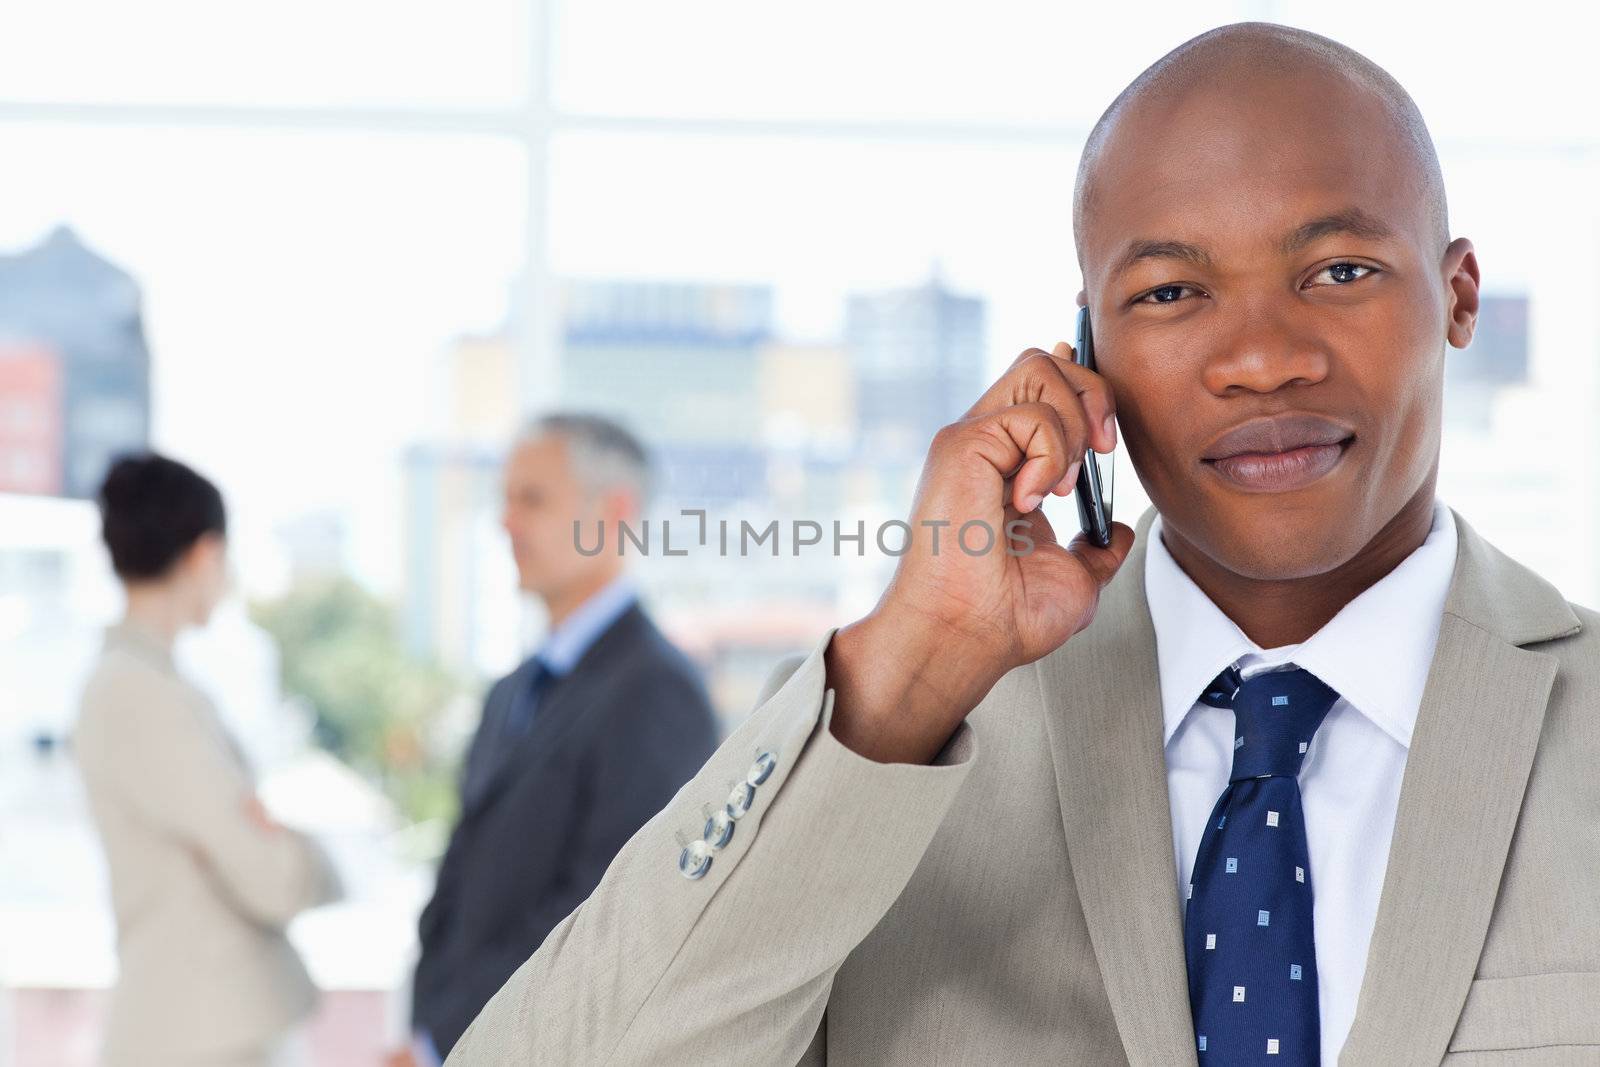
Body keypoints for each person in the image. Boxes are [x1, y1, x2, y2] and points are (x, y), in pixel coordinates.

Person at [446, 22, 1600, 1066]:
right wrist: (913, 666)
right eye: (1168, 293)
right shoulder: (893, 749)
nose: (1258, 356)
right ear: (1083, 349)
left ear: (1458, 298)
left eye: (1338, 271)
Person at [400, 413, 720, 1064]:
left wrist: (448, 1039)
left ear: (615, 512)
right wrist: (427, 1032)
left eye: (533, 499)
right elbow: (461, 879)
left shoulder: (658, 691)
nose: (506, 523)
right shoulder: (511, 690)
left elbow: (609, 911)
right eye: (506, 498)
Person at [73, 453, 342, 1067]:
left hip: (198, 1022)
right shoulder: (140, 691)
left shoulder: (142, 680)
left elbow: (233, 843)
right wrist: (298, 851)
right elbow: (268, 872)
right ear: (203, 553)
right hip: (199, 1032)